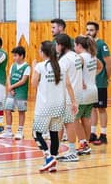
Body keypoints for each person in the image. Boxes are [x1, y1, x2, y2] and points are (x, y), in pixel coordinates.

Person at [31, 41, 77, 172]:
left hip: (45, 106)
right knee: (54, 133)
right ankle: (54, 160)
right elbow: (68, 84)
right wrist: (74, 102)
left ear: (43, 52)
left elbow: (33, 84)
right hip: (59, 105)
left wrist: (34, 67)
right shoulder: (61, 65)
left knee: (36, 133)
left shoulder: (40, 66)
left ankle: (48, 157)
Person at [55, 34, 83, 162]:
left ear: (61, 45)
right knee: (62, 123)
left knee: (68, 124)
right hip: (75, 94)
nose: (55, 46)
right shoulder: (76, 56)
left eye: (56, 44)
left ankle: (72, 152)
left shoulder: (64, 60)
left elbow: (65, 82)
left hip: (68, 96)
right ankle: (56, 150)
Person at [74, 36, 103, 155]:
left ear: (79, 46)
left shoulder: (80, 57)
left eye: (74, 45)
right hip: (93, 91)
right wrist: (91, 77)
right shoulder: (93, 56)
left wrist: (81, 81)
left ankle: (82, 143)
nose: (74, 47)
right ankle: (85, 145)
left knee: (73, 119)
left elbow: (76, 72)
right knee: (85, 118)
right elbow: (101, 67)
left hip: (83, 93)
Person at [86, 21, 111, 145]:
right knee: (92, 108)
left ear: (96, 31)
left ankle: (104, 134)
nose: (88, 32)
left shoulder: (102, 45)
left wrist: (107, 77)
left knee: (101, 108)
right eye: (87, 30)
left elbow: (108, 62)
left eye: (91, 30)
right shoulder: (87, 46)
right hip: (90, 83)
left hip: (100, 82)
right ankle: (93, 133)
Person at [0, 46, 29, 140]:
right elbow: (9, 77)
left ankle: (20, 131)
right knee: (7, 110)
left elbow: (23, 81)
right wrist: (9, 87)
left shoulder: (27, 67)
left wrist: (11, 87)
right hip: (12, 92)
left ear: (21, 56)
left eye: (15, 56)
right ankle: (8, 131)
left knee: (21, 111)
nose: (14, 57)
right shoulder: (13, 65)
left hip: (21, 93)